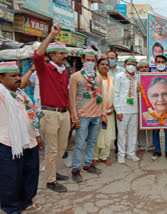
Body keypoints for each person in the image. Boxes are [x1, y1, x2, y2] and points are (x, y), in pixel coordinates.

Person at [0, 62, 44, 214]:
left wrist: (37, 136)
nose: (18, 78)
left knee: (31, 173)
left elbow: (32, 117)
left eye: (19, 75)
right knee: (11, 178)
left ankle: (27, 201)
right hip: (9, 143)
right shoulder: (1, 93)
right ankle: (11, 208)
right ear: (1, 78)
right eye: (13, 76)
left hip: (30, 141)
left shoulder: (21, 94)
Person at [33, 24, 70, 192]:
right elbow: (37, 56)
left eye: (65, 53)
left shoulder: (64, 71)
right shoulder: (45, 69)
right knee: (52, 148)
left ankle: (53, 171)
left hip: (64, 113)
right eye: (62, 53)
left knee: (62, 147)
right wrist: (51, 35)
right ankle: (50, 180)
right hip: (50, 113)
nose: (65, 56)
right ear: (52, 55)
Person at [69, 47, 106, 182]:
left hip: (96, 114)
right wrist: (74, 115)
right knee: (79, 143)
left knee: (91, 141)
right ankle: (76, 169)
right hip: (82, 115)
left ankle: (88, 164)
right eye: (88, 60)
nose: (90, 62)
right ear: (83, 60)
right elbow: (72, 97)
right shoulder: (75, 77)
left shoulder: (98, 76)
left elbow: (102, 95)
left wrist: (103, 114)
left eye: (92, 60)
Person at [114, 57, 140, 164]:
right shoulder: (119, 76)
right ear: (124, 65)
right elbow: (116, 94)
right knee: (121, 134)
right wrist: (118, 110)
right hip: (123, 110)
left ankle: (131, 153)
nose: (132, 66)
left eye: (134, 64)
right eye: (129, 64)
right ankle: (121, 154)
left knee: (133, 133)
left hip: (134, 109)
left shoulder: (138, 77)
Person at [93, 58, 116, 166]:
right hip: (96, 112)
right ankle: (94, 156)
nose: (105, 66)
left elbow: (116, 95)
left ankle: (104, 156)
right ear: (97, 66)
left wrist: (113, 108)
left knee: (108, 135)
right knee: (96, 135)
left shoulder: (112, 79)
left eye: (107, 64)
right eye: (102, 64)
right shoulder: (92, 79)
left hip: (109, 112)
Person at [151, 55, 167, 161]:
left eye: (162, 61)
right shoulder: (149, 76)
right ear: (155, 64)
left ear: (166, 64)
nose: (160, 63)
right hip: (155, 108)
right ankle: (157, 150)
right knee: (155, 130)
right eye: (158, 61)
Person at [137, 61, 153, 152]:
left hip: (151, 105)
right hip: (139, 104)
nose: (144, 68)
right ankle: (141, 146)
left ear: (149, 68)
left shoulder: (152, 77)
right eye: (142, 67)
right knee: (140, 126)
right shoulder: (135, 78)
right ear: (139, 69)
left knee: (150, 124)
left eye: (146, 67)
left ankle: (151, 146)